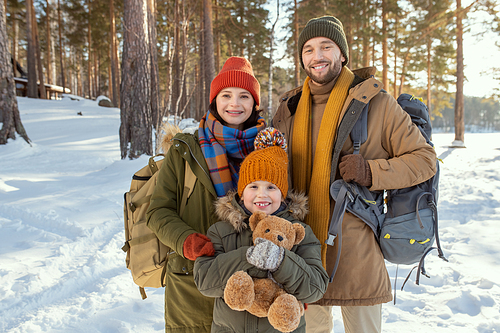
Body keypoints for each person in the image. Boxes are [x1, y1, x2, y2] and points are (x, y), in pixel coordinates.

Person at [272, 16, 438, 333]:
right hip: (303, 253)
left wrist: (371, 171)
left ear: (342, 54)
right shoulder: (289, 108)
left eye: (326, 46)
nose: (316, 56)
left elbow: (425, 160)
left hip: (357, 253)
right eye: (308, 49)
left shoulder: (375, 103)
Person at [147, 56, 267, 333]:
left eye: (244, 96)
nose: (234, 104)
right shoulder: (185, 150)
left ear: (254, 103)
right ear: (215, 100)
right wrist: (186, 240)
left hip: (253, 286)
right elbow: (158, 210)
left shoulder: (268, 151)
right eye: (226, 95)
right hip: (194, 284)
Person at [193, 128, 329, 332]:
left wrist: (281, 261)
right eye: (253, 186)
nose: (262, 195)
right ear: (241, 191)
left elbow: (316, 288)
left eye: (271, 187)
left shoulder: (300, 233)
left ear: (282, 194)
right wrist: (248, 258)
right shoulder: (221, 231)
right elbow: (204, 281)